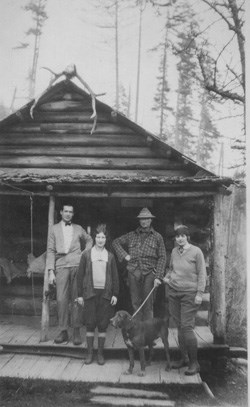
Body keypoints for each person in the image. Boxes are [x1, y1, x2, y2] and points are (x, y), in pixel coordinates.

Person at [47, 203, 93, 345]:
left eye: (70, 212)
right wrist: (50, 271)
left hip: (77, 266)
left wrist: (85, 253)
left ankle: (77, 331)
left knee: (77, 299)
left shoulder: (78, 228)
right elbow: (50, 250)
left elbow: (90, 240)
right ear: (61, 212)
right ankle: (63, 331)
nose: (68, 214)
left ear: (73, 214)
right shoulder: (53, 229)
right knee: (61, 299)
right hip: (61, 266)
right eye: (65, 211)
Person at [164, 225, 207, 375]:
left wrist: (200, 293)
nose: (180, 238)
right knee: (179, 327)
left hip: (190, 293)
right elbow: (171, 269)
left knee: (187, 327)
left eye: (183, 235)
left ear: (187, 237)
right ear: (175, 239)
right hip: (174, 293)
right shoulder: (175, 252)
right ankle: (184, 359)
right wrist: (166, 278)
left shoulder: (196, 252)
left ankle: (195, 364)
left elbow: (202, 273)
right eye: (177, 236)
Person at [112, 207, 166, 321]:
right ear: (139, 220)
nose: (144, 221)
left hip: (150, 273)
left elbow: (162, 257)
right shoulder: (131, 235)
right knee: (135, 302)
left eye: (146, 218)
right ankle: (137, 332)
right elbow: (115, 242)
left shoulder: (157, 237)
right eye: (142, 219)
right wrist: (124, 255)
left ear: (151, 220)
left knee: (148, 304)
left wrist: (158, 277)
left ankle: (148, 333)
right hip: (133, 272)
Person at [76, 224, 119, 365]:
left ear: (106, 239)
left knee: (102, 324)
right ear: (94, 238)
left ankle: (100, 354)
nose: (100, 240)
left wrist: (115, 294)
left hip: (105, 294)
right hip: (90, 293)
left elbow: (115, 276)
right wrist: (80, 295)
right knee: (89, 324)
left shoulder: (110, 256)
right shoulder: (87, 255)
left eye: (103, 237)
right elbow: (80, 275)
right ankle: (89, 354)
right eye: (98, 237)